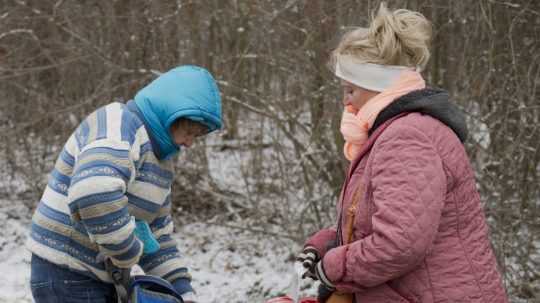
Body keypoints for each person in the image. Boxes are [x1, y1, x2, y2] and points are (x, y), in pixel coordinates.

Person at [297, 3, 508, 303]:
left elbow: (398, 243)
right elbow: (384, 217)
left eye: (350, 90)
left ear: (376, 86)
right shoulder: (394, 131)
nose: (346, 102)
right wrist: (328, 243)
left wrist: (332, 267)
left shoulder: (407, 138)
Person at [27, 65, 222, 302]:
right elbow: (93, 194)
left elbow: (155, 233)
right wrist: (127, 253)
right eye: (188, 132)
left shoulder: (160, 162)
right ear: (169, 114)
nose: (190, 143)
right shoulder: (119, 125)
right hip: (67, 271)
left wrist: (181, 289)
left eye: (197, 136)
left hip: (99, 277)